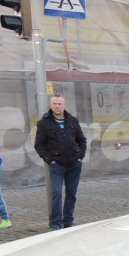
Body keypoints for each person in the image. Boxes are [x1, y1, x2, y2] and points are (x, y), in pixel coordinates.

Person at [34, 94, 87, 230]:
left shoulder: (72, 121)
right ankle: (56, 223)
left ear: (64, 105)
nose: (57, 106)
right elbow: (39, 145)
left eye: (59, 104)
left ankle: (68, 221)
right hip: (57, 165)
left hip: (74, 164)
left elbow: (82, 140)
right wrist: (49, 160)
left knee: (71, 194)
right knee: (56, 193)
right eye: (55, 104)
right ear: (51, 105)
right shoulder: (44, 123)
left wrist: (80, 156)